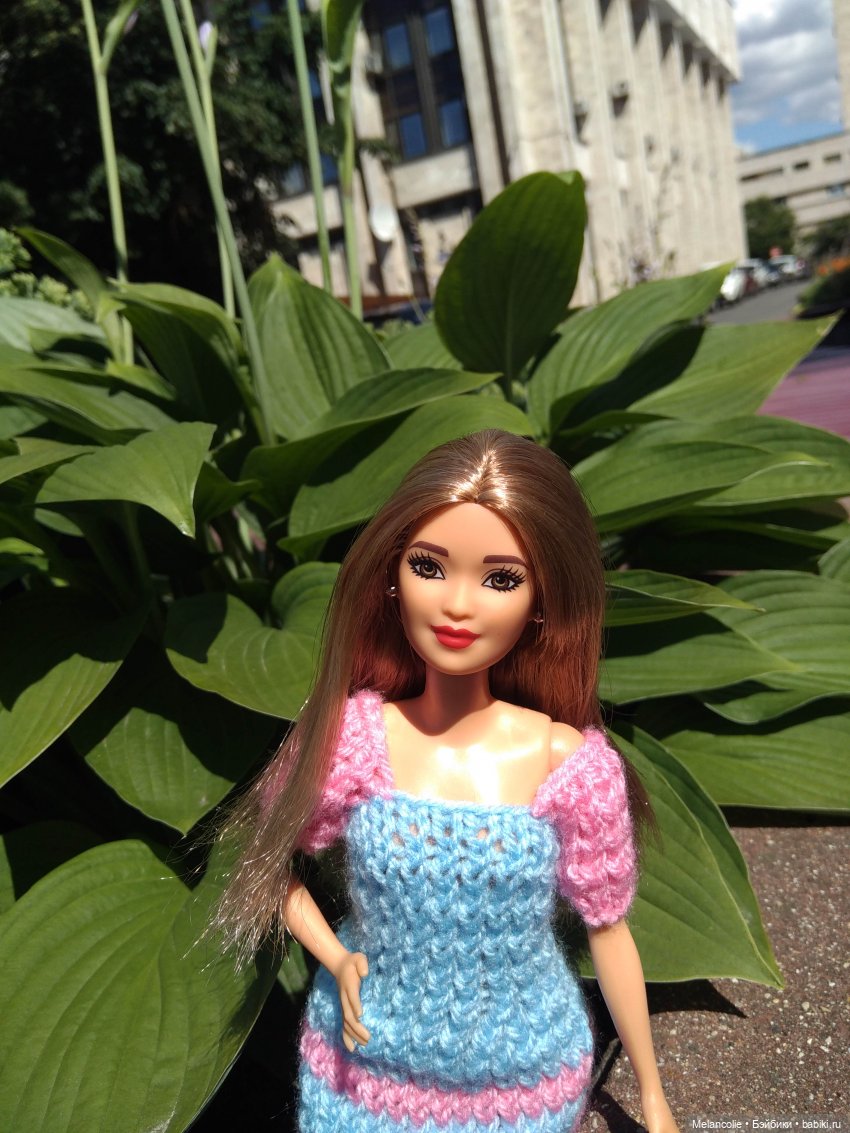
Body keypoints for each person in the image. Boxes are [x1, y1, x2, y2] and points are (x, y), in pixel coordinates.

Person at [215, 429, 677, 1132]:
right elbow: (268, 861)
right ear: (391, 578)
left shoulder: (566, 763)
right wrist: (336, 958)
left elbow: (609, 931)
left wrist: (652, 1092)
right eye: (429, 566)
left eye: (500, 579)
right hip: (364, 1069)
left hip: (523, 1076)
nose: (458, 604)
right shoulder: (352, 741)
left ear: (542, 602)